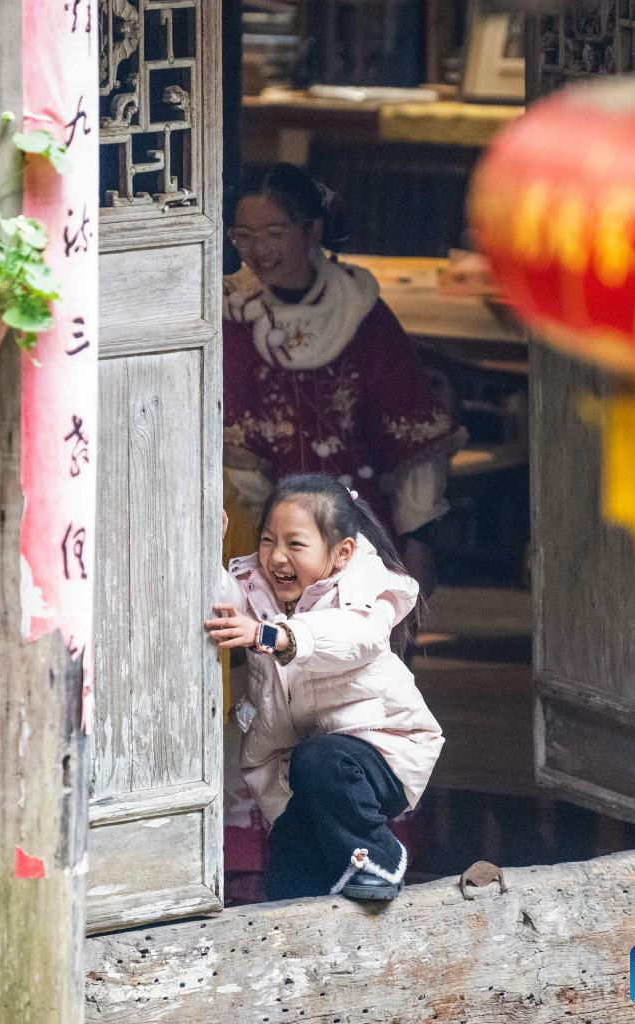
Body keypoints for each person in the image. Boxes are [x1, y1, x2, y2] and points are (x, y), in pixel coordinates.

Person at [222, 162, 466, 594]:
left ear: (313, 230)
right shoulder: (235, 316)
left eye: (274, 233)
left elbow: (411, 427)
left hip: (362, 526)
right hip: (263, 537)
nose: (258, 250)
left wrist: (418, 540)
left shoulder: (359, 312)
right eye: (244, 236)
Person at [205, 474, 444, 902]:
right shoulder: (257, 584)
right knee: (289, 865)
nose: (277, 557)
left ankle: (380, 862)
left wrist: (270, 635)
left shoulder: (365, 585)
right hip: (298, 769)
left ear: (341, 552)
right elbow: (221, 605)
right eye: (267, 540)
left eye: (295, 544)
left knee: (321, 759)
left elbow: (358, 636)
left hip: (383, 750)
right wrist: (206, 550)